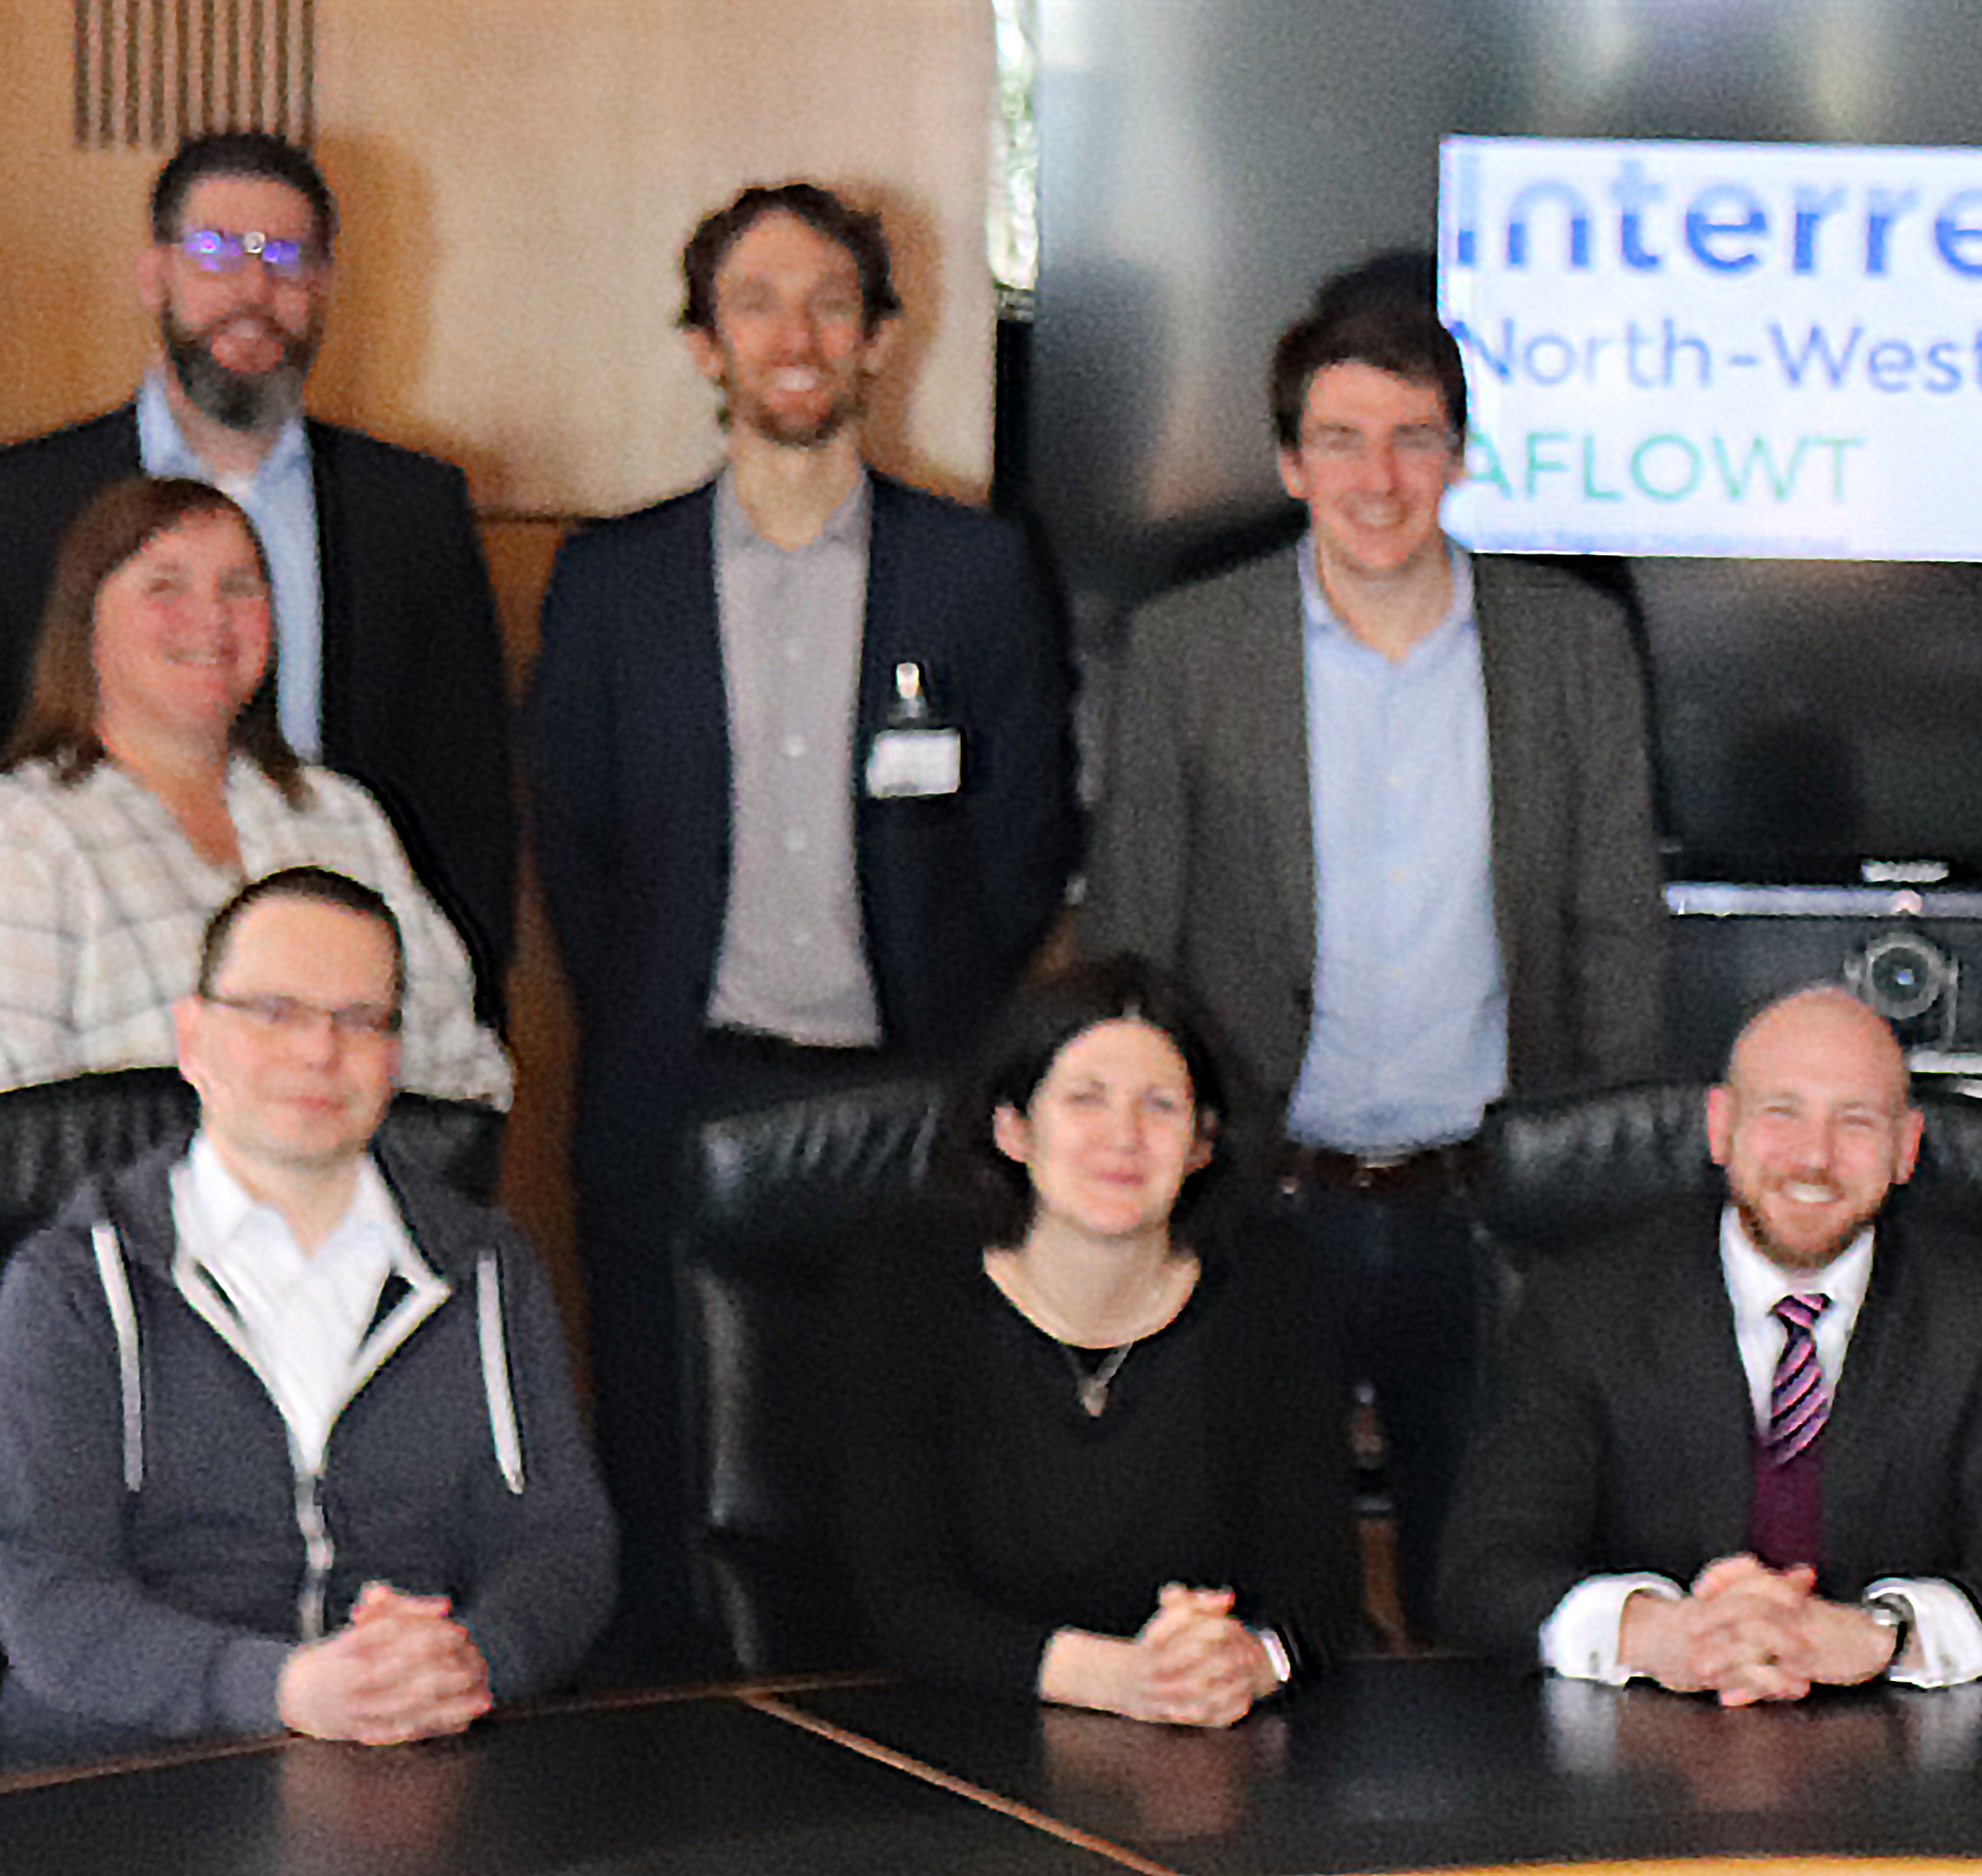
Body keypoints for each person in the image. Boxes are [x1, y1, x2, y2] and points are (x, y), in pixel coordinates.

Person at [525, 179, 1074, 1668]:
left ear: (880, 338)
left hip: (910, 1103)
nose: (796, 335)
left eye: (831, 304)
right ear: (704, 344)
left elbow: (1026, 843)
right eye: (756, 304)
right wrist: (650, 1011)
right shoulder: (612, 578)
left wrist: (949, 1027)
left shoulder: (972, 570)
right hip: (676, 1096)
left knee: (897, 1482)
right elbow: (573, 846)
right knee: (668, 1482)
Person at [1085, 262, 1666, 1571]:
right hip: (1258, 1203)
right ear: (1291, 464)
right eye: (1341, 440)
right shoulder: (1188, 649)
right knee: (1252, 1579)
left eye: (1414, 438)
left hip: (1492, 1212)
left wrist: (1595, 1178)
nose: (1380, 477)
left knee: (1495, 1575)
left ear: (1460, 456)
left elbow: (1618, 933)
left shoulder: (1570, 645)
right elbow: (1133, 938)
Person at [0, 867, 607, 1768]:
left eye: (360, 1020)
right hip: (129, 1773)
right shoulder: (75, 1282)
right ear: (193, 1037)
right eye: (274, 1012)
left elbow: (562, 1549)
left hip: (417, 1757)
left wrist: (469, 1660)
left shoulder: (487, 1272)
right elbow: (47, 1594)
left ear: (395, 1056)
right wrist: (285, 1689)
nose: (318, 1052)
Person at [0, 130, 514, 977]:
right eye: (215, 253)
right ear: (153, 275)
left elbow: (467, 798)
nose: (253, 289)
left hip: (342, 986)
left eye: (287, 258)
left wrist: (453, 998)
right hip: (91, 970)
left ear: (324, 285)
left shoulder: (413, 511)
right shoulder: (9, 507)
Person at [1431, 987, 1982, 1702]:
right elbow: (1484, 1570)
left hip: (1900, 1737)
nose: (1814, 1157)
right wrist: (1656, 1633)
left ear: (1906, 1148)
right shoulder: (1583, 1303)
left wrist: (1882, 1635)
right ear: (1720, 1128)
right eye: (1782, 1112)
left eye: (1855, 1121)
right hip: (1638, 1730)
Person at [834, 958, 1355, 1723]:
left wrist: (1250, 1660)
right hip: (948, 1742)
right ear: (1012, 1129)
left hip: (1208, 1745)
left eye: (1160, 1106)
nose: (1124, 1137)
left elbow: (1323, 1591)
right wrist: (1116, 1679)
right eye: (1085, 1099)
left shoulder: (1270, 1287)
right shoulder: (909, 1290)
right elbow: (900, 1602)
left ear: (1203, 1143)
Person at [0, 478, 508, 1107]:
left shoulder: (343, 817)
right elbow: (2, 1133)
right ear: (85, 622)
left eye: (239, 587)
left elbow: (461, 1072)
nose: (212, 618)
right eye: (165, 587)